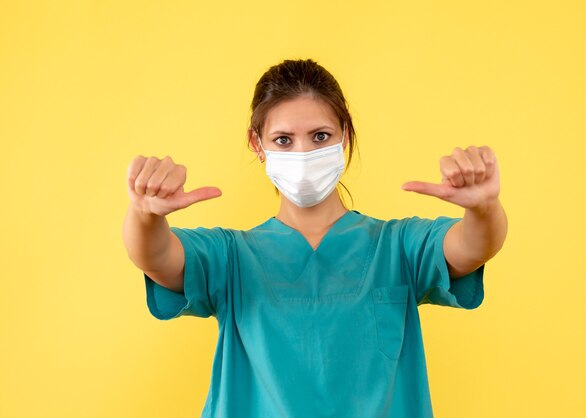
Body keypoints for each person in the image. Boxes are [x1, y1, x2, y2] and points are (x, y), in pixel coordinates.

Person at [122, 58, 508, 418]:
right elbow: (157, 257)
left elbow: (470, 247)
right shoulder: (231, 257)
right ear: (258, 145)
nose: (303, 152)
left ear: (345, 135)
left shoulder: (399, 247)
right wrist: (144, 214)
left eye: (320, 136)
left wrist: (483, 208)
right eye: (284, 140)